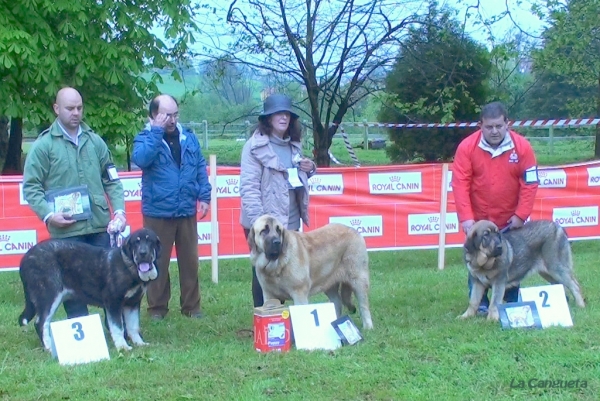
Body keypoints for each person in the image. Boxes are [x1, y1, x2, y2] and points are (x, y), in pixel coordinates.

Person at [22, 87, 126, 319]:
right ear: (56, 109)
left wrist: (119, 212)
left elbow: (112, 181)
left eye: (79, 107)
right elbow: (31, 187)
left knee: (110, 282)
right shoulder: (43, 146)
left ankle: (115, 328)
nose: (76, 113)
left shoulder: (96, 142)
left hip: (99, 226)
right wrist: (49, 215)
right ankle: (82, 335)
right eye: (70, 108)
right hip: (66, 231)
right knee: (75, 288)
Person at [452, 101, 539, 315]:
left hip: (511, 218)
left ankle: (509, 300)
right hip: (479, 218)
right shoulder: (466, 147)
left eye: (499, 126)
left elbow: (530, 182)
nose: (494, 131)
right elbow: (460, 183)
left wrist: (521, 214)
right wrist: (466, 218)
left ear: (507, 124)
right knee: (476, 258)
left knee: (513, 257)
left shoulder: (523, 147)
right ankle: (479, 304)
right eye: (489, 127)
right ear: (480, 125)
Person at [132, 94, 211, 320]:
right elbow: (142, 159)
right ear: (153, 116)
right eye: (166, 115)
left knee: (190, 262)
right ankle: (157, 309)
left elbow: (199, 167)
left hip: (186, 208)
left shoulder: (189, 138)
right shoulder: (145, 138)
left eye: (175, 114)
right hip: (158, 211)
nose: (172, 120)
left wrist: (204, 196)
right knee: (157, 261)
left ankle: (192, 307)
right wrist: (156, 132)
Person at [239, 93, 317, 307]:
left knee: (288, 268)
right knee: (262, 269)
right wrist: (259, 225)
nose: (283, 118)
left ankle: (283, 318)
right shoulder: (253, 147)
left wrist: (310, 170)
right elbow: (249, 187)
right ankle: (263, 317)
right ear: (268, 118)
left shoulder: (294, 145)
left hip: (289, 220)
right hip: (263, 223)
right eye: (278, 114)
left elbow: (294, 179)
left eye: (287, 114)